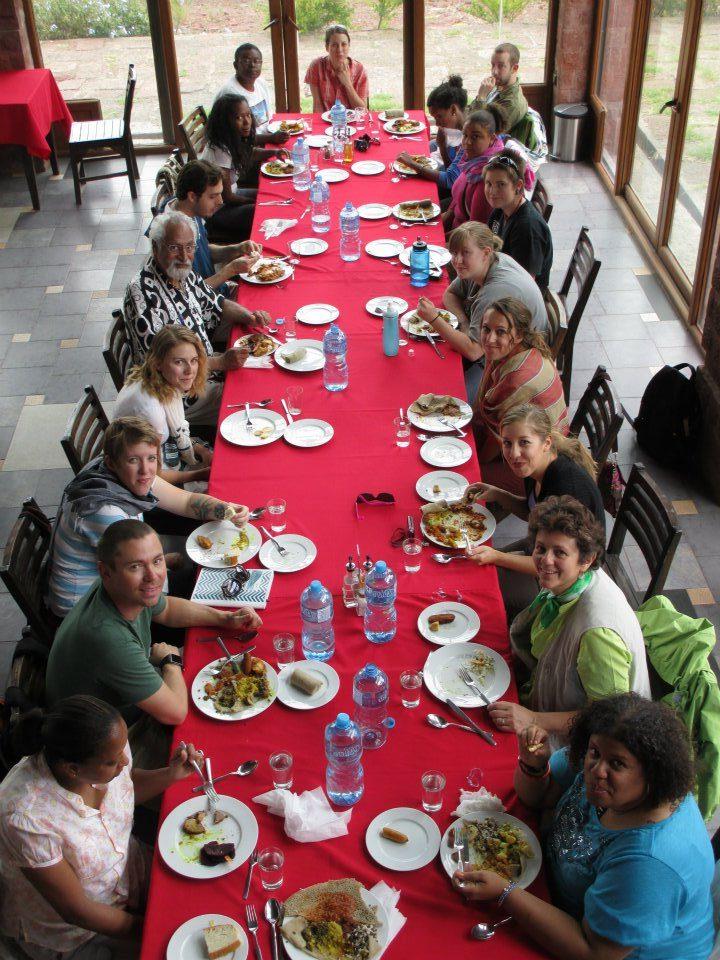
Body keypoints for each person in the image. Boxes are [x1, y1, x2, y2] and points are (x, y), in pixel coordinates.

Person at [454, 694, 714, 960]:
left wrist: (505, 892)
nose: (596, 771)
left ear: (652, 774)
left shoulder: (650, 863)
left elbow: (592, 951)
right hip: (551, 896)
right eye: (595, 753)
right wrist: (534, 766)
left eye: (617, 764)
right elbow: (539, 797)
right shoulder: (605, 754)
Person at [0, 696, 206, 960]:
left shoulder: (106, 742)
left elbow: (125, 788)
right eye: (112, 761)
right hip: (80, 931)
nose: (124, 760)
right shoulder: (27, 818)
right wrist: (152, 928)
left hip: (127, 872)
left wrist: (170, 774)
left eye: (122, 749)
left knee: (205, 897)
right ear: (73, 769)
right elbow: (77, 910)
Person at [46, 520, 262, 726]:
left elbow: (166, 609)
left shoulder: (120, 587)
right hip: (108, 740)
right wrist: (170, 661)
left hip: (123, 693)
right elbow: (175, 713)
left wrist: (225, 619)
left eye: (157, 561)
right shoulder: (109, 639)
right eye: (135, 566)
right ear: (105, 571)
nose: (153, 576)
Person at [46, 417, 251, 617]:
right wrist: (222, 617)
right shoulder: (106, 513)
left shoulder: (115, 470)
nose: (146, 470)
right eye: (133, 460)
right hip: (88, 612)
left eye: (151, 458)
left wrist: (226, 510)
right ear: (112, 462)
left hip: (118, 576)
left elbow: (186, 502)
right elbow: (155, 603)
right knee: (217, 585)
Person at [488, 496, 650, 740]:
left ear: (586, 560)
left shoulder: (598, 635)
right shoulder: (569, 581)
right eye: (541, 548)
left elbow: (611, 720)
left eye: (560, 552)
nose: (545, 561)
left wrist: (533, 719)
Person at [123, 211, 268, 421]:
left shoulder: (182, 272)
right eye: (174, 247)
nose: (184, 256)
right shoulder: (143, 295)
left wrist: (250, 317)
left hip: (204, 365)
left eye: (189, 247)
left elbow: (216, 302)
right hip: (178, 393)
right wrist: (220, 362)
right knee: (252, 401)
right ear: (155, 248)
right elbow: (166, 367)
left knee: (261, 340)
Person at [416, 224, 548, 401]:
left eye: (465, 253)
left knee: (449, 396)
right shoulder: (482, 265)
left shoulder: (495, 291)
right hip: (496, 346)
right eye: (454, 253)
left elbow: (473, 351)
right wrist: (464, 321)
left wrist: (434, 318)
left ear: (486, 252)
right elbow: (450, 294)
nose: (457, 261)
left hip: (517, 363)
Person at [113, 327, 212, 484]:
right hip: (145, 483)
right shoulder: (152, 412)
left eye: (193, 361)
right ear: (158, 363)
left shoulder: (158, 379)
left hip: (166, 453)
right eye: (179, 362)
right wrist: (200, 475)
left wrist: (201, 450)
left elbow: (175, 435)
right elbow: (151, 474)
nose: (189, 370)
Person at [472, 299, 567, 461]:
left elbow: (498, 439)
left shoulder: (516, 380)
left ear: (519, 335)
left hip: (540, 460)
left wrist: (478, 463)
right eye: (486, 329)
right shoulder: (524, 349)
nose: (489, 339)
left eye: (500, 332)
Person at [160, 159, 262, 292]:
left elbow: (204, 251)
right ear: (192, 196)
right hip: (202, 305)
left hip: (215, 291)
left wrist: (237, 249)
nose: (220, 201)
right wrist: (229, 270)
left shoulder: (189, 210)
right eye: (213, 196)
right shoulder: (170, 236)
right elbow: (187, 295)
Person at [201, 94, 289, 244]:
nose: (247, 121)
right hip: (217, 211)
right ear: (224, 122)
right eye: (238, 118)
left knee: (274, 195)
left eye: (248, 115)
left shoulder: (231, 138)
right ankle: (272, 247)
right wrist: (258, 201)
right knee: (266, 211)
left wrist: (273, 152)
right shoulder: (220, 151)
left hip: (232, 195)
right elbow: (228, 198)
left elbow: (249, 153)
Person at [485, 151, 553, 290]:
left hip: (518, 301)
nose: (492, 191)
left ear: (518, 186)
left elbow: (524, 286)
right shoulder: (501, 208)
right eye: (489, 183)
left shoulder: (527, 228)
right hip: (498, 278)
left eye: (501, 184)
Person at [395, 75, 467, 198]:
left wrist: (412, 163)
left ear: (453, 109)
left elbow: (450, 181)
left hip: (459, 197)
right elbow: (450, 167)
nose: (437, 123)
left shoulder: (469, 137)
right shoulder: (452, 130)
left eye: (439, 116)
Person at [441, 105, 506, 231]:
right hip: (456, 231)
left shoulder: (487, 179)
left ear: (492, 139)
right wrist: (433, 230)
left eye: (475, 137)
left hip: (466, 243)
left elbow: (474, 233)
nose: (468, 142)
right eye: (465, 135)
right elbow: (454, 208)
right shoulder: (471, 162)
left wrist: (440, 241)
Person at [468, 42, 537, 150]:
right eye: (492, 65)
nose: (494, 71)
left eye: (501, 66)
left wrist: (481, 96)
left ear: (514, 68)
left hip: (486, 153)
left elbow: (477, 130)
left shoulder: (512, 103)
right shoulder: (498, 87)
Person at [214, 42, 289, 141]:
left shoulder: (261, 83)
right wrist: (271, 138)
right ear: (235, 65)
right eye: (246, 61)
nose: (252, 65)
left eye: (257, 61)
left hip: (263, 138)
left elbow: (267, 118)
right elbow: (234, 137)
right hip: (241, 149)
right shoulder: (230, 94)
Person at [305, 24, 369, 112]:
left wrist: (347, 84)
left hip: (352, 122)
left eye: (344, 44)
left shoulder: (359, 69)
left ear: (349, 46)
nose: (339, 49)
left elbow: (362, 111)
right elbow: (317, 105)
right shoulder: (316, 66)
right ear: (327, 47)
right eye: (334, 45)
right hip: (326, 121)